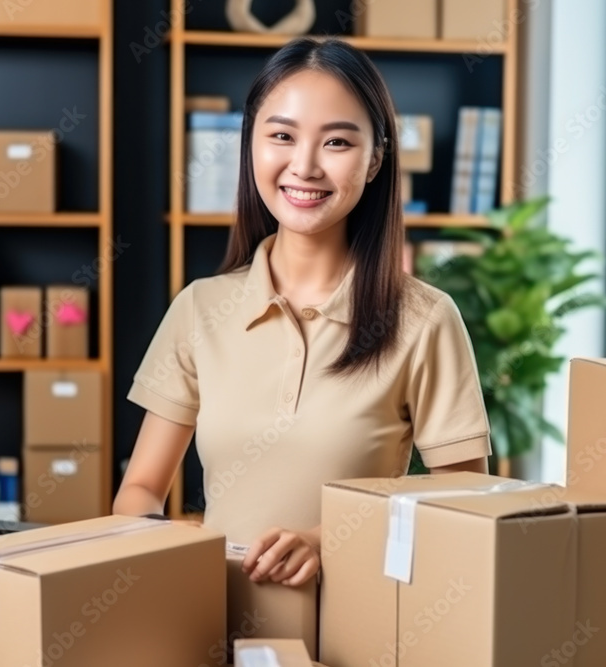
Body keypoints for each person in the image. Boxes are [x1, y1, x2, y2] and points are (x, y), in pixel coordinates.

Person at [113, 37, 490, 588]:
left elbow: (466, 506)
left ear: (375, 159)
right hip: (213, 619)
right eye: (282, 136)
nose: (305, 166)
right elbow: (142, 488)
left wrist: (326, 539)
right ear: (252, 144)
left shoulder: (425, 320)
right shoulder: (200, 308)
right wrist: (163, 549)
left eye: (336, 141)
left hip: (357, 624)